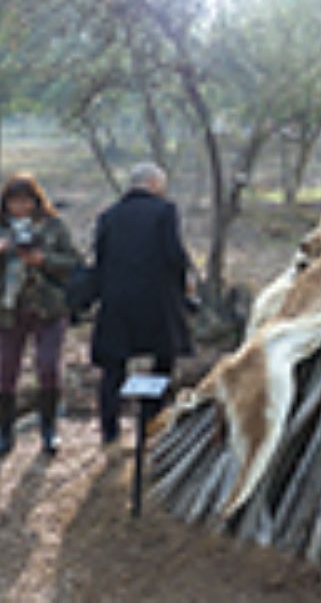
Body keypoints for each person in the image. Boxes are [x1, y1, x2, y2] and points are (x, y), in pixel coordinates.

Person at [90, 162, 195, 447]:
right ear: (153, 184)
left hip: (117, 301)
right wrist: (185, 284)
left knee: (113, 368)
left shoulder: (108, 216)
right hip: (157, 302)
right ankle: (151, 422)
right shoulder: (165, 211)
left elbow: (99, 261)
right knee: (163, 359)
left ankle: (109, 431)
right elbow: (174, 255)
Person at [0, 174, 81, 458]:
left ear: (36, 201)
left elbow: (74, 263)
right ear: (5, 203)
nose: (20, 207)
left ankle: (49, 429)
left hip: (48, 308)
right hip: (10, 309)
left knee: (48, 366)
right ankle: (3, 434)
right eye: (14, 201)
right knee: (6, 372)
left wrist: (43, 260)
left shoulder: (54, 226)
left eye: (25, 200)